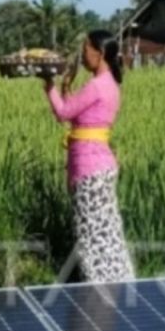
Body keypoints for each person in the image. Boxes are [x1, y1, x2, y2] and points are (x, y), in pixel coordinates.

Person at [42, 30, 136, 283]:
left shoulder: (96, 85)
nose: (82, 56)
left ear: (100, 52)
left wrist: (48, 85)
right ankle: (118, 280)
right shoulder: (110, 85)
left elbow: (63, 113)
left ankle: (98, 284)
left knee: (91, 232)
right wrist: (65, 87)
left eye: (85, 50)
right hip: (100, 164)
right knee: (106, 230)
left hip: (89, 166)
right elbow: (78, 113)